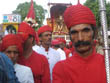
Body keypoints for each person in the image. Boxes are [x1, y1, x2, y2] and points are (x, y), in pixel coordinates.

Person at [52, 2, 106, 83]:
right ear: (70, 35)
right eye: (74, 32)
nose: (80, 38)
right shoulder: (61, 68)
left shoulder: (106, 63)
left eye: (85, 31)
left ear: (94, 32)